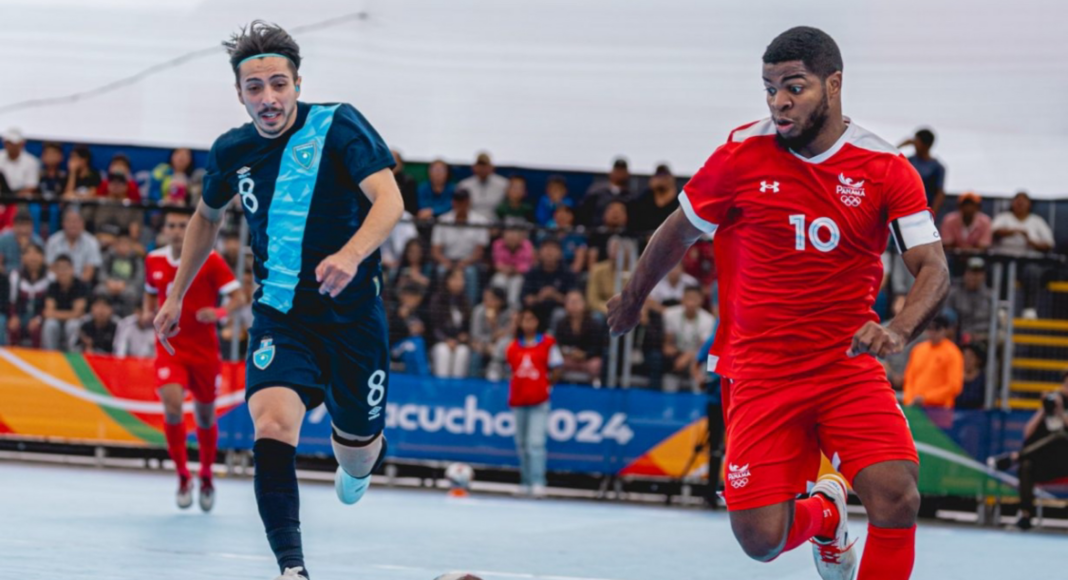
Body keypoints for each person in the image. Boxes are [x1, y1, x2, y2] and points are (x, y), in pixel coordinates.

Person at [607, 27, 949, 580]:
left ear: (833, 85)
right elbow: (678, 230)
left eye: (795, 86)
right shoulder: (741, 154)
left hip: (845, 364)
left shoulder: (885, 168)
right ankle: (827, 514)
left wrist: (900, 327)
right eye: (770, 89)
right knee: (761, 541)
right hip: (759, 370)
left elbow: (934, 266)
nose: (779, 102)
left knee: (897, 496)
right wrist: (632, 297)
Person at [152, 21, 403, 580]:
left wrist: (351, 255)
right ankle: (292, 568)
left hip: (353, 320)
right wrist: (176, 294)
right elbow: (206, 218)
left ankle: (358, 460)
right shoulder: (231, 150)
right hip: (281, 318)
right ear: (239, 94)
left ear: (297, 84)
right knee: (270, 426)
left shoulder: (338, 123)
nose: (268, 98)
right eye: (255, 87)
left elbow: (389, 199)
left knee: (357, 450)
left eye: (278, 84)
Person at [146, 210, 243, 511]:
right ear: (164, 230)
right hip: (170, 348)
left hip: (204, 352)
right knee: (172, 405)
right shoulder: (153, 260)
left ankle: (206, 475)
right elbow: (150, 293)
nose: (176, 231)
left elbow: (239, 297)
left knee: (204, 416)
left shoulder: (210, 260)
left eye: (181, 225)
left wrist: (219, 313)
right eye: (171, 226)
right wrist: (148, 313)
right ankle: (182, 476)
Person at [988, 374, 1068, 530]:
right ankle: (1025, 516)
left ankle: (1014, 457)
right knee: (1026, 466)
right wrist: (1043, 409)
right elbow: (1027, 432)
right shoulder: (1052, 404)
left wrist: (1061, 412)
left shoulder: (1061, 408)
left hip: (1065, 461)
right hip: (1047, 461)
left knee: (1059, 437)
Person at [506, 308, 563, 497]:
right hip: (519, 400)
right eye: (524, 319)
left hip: (539, 401)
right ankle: (525, 481)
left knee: (535, 443)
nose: (528, 323)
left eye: (531, 319)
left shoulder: (547, 343)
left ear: (538, 321)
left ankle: (538, 482)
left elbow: (557, 367)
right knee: (522, 443)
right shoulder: (514, 346)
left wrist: (546, 385)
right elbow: (511, 369)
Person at [991, 191, 1054, 319]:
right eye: (1017, 201)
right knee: (1002, 271)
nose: (1020, 204)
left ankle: (1029, 308)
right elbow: (993, 232)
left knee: (1032, 271)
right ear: (1012, 203)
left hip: (1028, 260)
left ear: (1029, 204)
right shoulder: (1004, 217)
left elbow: (1049, 244)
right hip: (1005, 259)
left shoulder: (1037, 221)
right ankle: (1002, 307)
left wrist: (1031, 241)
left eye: (1023, 201)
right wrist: (1015, 231)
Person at [902, 315, 963, 408]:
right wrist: (909, 399)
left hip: (940, 408)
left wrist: (926, 398)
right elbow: (909, 378)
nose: (932, 332)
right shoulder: (918, 350)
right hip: (915, 406)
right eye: (929, 328)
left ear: (945, 330)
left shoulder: (952, 353)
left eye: (937, 329)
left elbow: (954, 386)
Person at [553, 290, 606, 386]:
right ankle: (557, 387)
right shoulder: (561, 324)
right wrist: (569, 352)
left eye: (576, 301)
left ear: (584, 303)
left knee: (595, 364)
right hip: (569, 358)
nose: (574, 305)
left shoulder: (593, 323)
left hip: (588, 359)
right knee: (557, 363)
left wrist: (584, 355)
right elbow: (558, 344)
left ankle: (595, 387)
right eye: (570, 302)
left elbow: (598, 346)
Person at [428, 268, 473, 378]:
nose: (459, 282)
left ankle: (457, 386)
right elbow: (434, 327)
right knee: (443, 351)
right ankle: (441, 385)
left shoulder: (465, 302)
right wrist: (446, 340)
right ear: (447, 280)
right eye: (455, 279)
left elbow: (466, 327)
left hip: (459, 343)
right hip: (440, 342)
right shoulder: (437, 300)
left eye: (461, 279)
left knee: (463, 352)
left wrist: (463, 337)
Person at [41, 254, 90, 351]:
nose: (62, 272)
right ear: (54, 271)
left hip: (76, 321)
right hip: (58, 322)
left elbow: (78, 313)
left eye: (65, 269)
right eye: (58, 269)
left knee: (72, 325)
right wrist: (68, 314)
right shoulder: (52, 286)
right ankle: (50, 355)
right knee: (50, 324)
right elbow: (48, 312)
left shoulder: (80, 286)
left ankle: (73, 355)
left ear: (72, 269)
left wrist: (56, 314)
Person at [6, 243, 49, 347]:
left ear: (43, 257)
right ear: (22, 258)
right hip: (21, 316)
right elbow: (11, 301)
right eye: (28, 253)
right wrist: (13, 316)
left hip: (41, 317)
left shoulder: (50, 277)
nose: (32, 257)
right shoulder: (15, 276)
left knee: (38, 330)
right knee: (13, 327)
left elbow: (49, 305)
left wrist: (38, 319)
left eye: (36, 253)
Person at [46, 208, 102, 284]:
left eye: (76, 221)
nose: (73, 225)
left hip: (81, 284)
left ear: (83, 223)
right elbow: (51, 268)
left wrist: (75, 287)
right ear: (63, 223)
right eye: (69, 221)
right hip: (57, 283)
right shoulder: (53, 241)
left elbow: (89, 271)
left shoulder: (91, 242)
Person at [898, 128, 946, 216]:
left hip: (923, 210)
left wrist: (932, 214)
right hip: (905, 208)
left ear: (926, 145)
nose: (914, 144)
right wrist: (899, 146)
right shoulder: (909, 161)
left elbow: (939, 194)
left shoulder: (937, 167)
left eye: (917, 141)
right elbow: (890, 160)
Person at [945, 257, 992, 344]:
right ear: (965, 274)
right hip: (959, 338)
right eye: (971, 273)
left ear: (984, 276)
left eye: (977, 274)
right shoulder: (954, 294)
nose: (974, 277)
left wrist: (980, 336)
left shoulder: (990, 297)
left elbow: (997, 324)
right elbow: (946, 317)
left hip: (984, 339)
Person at [490, 226, 534, 307]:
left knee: (516, 283)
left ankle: (512, 308)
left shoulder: (527, 245)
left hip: (518, 275)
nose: (511, 237)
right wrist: (505, 269)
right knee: (498, 280)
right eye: (509, 234)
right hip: (503, 273)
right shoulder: (497, 244)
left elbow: (527, 266)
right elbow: (497, 263)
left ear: (521, 237)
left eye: (514, 235)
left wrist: (515, 270)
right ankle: (496, 305)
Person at [458, 152, 509, 218]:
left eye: (485, 166)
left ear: (491, 167)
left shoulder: (503, 184)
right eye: (480, 165)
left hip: (495, 222)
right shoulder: (464, 185)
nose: (482, 169)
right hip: (472, 222)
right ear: (474, 167)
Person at [955, 343, 986, 410]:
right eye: (964, 357)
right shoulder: (954, 376)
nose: (967, 360)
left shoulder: (983, 379)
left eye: (970, 357)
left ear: (977, 359)